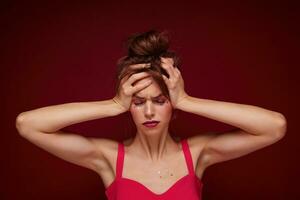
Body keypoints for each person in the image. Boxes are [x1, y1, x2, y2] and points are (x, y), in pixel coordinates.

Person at [15, 30, 287, 200]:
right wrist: (112, 104)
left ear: (172, 104)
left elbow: (274, 126)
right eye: (137, 102)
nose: (148, 111)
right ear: (128, 106)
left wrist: (187, 100)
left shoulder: (199, 153)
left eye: (159, 101)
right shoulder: (108, 159)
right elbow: (27, 124)